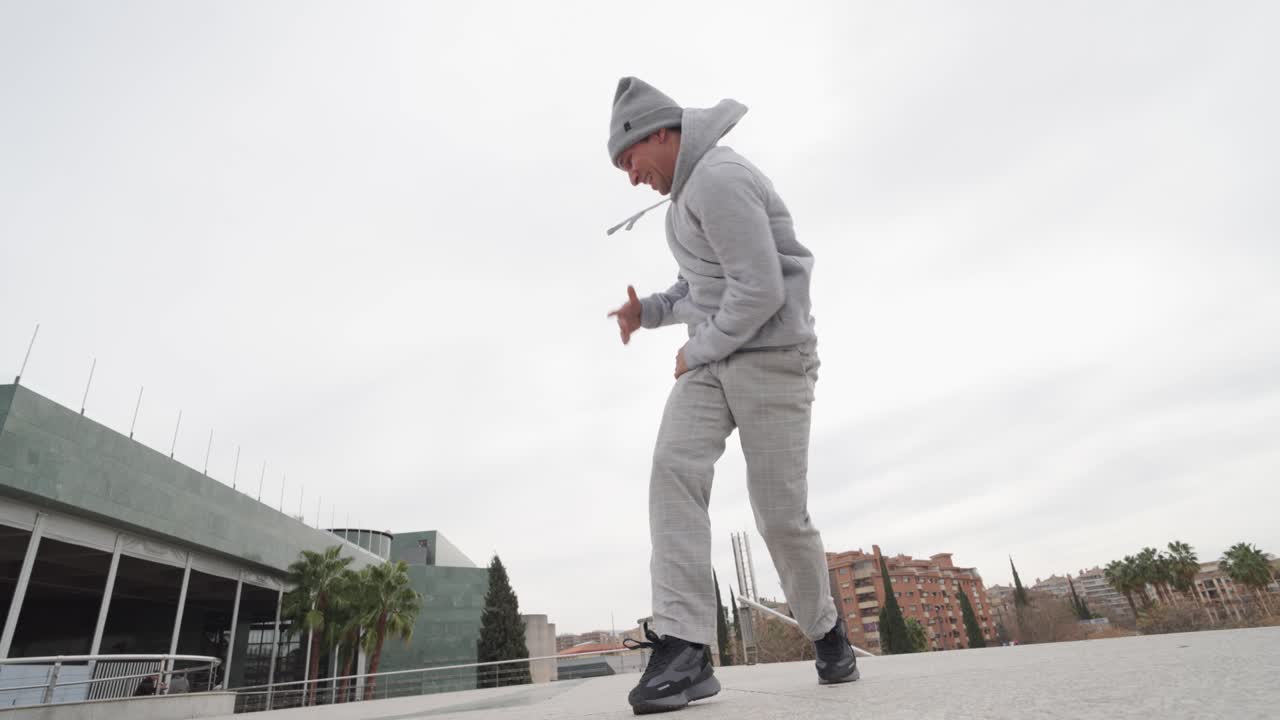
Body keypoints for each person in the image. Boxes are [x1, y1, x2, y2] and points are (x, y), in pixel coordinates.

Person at [606, 77, 859, 715]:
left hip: (772, 356)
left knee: (779, 514)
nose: (631, 177)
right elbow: (699, 288)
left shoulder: (718, 179)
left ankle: (827, 630)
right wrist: (650, 311)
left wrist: (695, 350)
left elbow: (761, 289)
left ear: (661, 135)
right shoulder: (686, 199)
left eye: (630, 159)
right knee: (673, 469)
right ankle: (685, 646)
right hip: (716, 359)